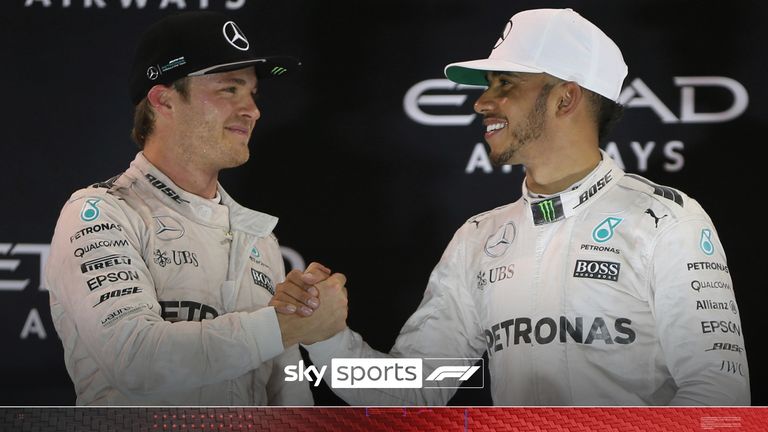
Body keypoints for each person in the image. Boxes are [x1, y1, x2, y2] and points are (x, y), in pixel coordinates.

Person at [297, 8, 750, 405]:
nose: (481, 102)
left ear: (565, 97)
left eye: (505, 84)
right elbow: (413, 389)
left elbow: (719, 394)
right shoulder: (479, 237)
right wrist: (325, 339)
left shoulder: (666, 221)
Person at [44, 11, 347, 405]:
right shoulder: (103, 213)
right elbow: (138, 360)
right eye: (229, 90)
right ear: (163, 99)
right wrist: (284, 326)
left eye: (252, 94)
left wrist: (293, 322)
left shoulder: (259, 238)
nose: (251, 110)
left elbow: (288, 398)